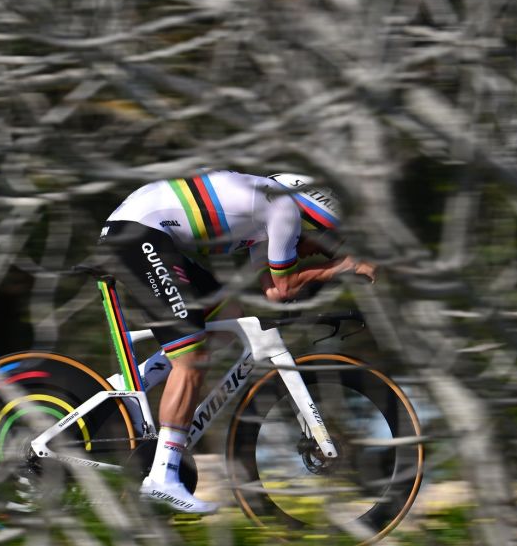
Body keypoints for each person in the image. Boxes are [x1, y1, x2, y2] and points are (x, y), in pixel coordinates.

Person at [96, 170, 376, 513]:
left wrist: (321, 281)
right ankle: (163, 477)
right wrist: (343, 266)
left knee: (227, 316)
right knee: (191, 360)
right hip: (141, 233)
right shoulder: (284, 209)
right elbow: (286, 285)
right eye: (325, 244)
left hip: (141, 230)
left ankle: (124, 388)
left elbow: (274, 292)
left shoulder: (268, 214)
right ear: (315, 223)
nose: (316, 253)